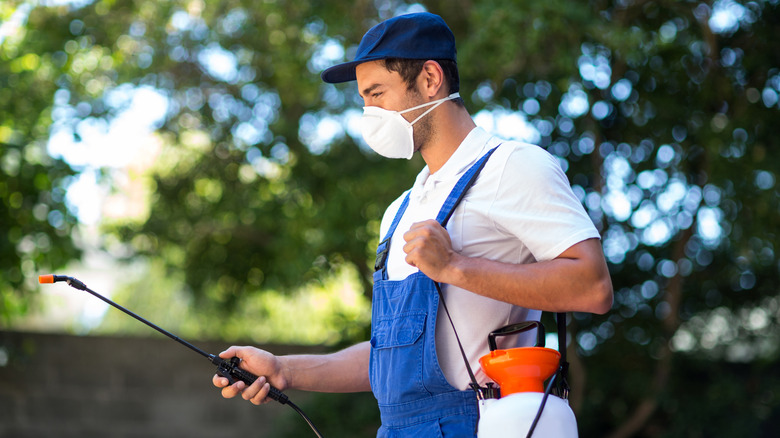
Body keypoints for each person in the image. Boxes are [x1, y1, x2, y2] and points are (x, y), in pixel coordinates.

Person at [213, 12, 613, 436]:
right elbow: (390, 358)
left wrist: (454, 267)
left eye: (377, 93)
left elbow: (593, 287)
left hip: (483, 425)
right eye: (364, 99)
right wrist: (283, 369)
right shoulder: (400, 210)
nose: (369, 113)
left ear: (429, 78)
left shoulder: (513, 167)